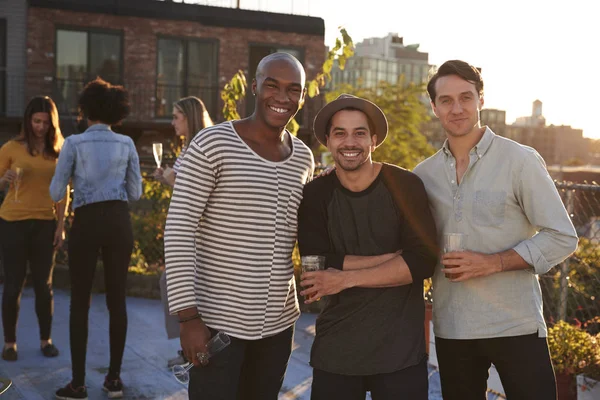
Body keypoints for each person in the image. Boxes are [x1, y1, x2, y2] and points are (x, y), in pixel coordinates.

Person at [412, 60, 579, 400]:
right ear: (433, 107)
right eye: (446, 100)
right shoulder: (422, 175)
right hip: (453, 328)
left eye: (466, 97)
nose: (457, 108)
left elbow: (562, 236)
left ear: (481, 100)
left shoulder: (520, 160)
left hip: (516, 324)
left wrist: (493, 263)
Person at [164, 52, 314, 400]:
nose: (281, 97)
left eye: (293, 90)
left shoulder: (303, 157)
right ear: (254, 87)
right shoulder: (212, 144)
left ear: (302, 97)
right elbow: (179, 230)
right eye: (272, 85)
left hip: (278, 327)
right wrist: (187, 319)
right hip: (217, 325)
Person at [297, 94, 438, 400]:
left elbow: (423, 261)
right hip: (337, 350)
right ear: (327, 141)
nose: (350, 142)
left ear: (374, 140)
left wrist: (343, 278)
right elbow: (316, 267)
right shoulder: (315, 195)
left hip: (400, 352)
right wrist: (391, 260)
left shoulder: (405, 186)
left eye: (360, 133)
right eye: (340, 133)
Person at [51, 78, 142, 400]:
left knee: (80, 301)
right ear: (116, 111)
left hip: (86, 222)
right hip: (118, 221)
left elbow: (54, 190)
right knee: (118, 301)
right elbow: (136, 192)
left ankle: (77, 384)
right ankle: (114, 380)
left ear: (85, 110)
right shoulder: (127, 144)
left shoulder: (74, 144)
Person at [0, 96, 68, 362]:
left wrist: (60, 226)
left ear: (53, 124)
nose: (40, 127)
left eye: (45, 122)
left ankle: (45, 340)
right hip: (12, 222)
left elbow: (63, 192)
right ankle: (10, 343)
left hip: (44, 223)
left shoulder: (59, 150)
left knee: (44, 285)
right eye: (36, 121)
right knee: (14, 283)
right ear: (28, 121)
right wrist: (3, 181)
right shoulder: (11, 148)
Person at [152, 96, 214, 367]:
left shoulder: (201, 149)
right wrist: (168, 178)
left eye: (176, 116)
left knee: (178, 284)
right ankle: (186, 346)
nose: (172, 121)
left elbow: (198, 193)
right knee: (172, 283)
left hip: (200, 237)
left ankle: (192, 347)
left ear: (190, 117)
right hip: (188, 230)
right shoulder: (187, 147)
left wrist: (171, 179)